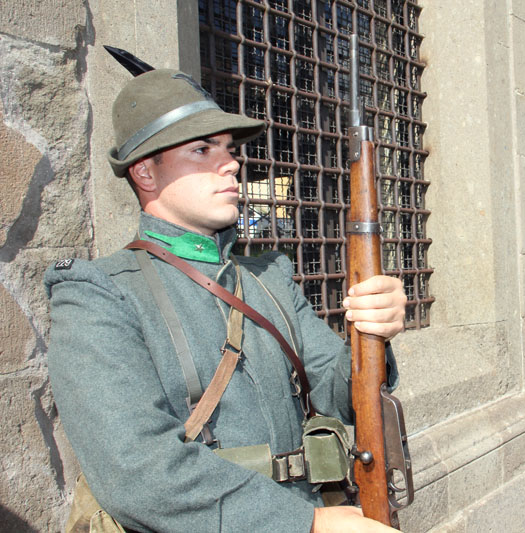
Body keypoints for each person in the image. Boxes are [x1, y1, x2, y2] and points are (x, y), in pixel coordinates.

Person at [45, 69, 406, 532]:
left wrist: (371, 331)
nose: (232, 164)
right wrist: (308, 524)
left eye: (229, 149)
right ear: (144, 172)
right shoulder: (98, 294)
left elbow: (341, 397)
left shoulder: (269, 279)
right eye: (202, 149)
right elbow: (138, 473)